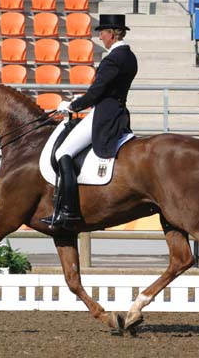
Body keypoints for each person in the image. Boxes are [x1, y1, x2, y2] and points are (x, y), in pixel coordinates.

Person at [40, 14, 138, 230]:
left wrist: (71, 106)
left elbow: (96, 93)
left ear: (112, 34)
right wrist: (80, 100)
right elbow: (105, 90)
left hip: (103, 114)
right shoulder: (129, 56)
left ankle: (68, 211)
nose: (100, 36)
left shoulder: (113, 59)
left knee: (62, 153)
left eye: (102, 32)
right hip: (117, 110)